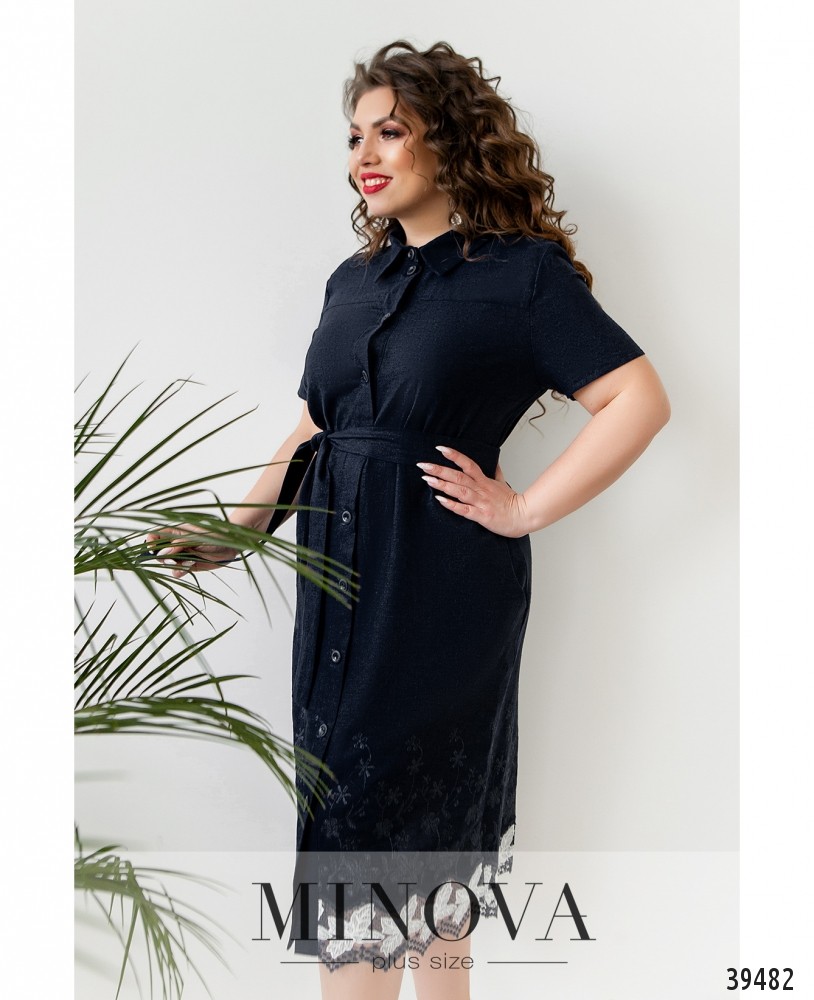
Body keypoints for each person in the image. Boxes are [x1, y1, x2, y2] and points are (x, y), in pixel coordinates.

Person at [148, 38, 670, 1000]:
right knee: (404, 880)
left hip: (440, 596)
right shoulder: (352, 282)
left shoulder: (522, 277)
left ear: (451, 136)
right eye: (355, 137)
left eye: (390, 130)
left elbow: (637, 399)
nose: (366, 154)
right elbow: (312, 430)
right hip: (337, 596)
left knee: (390, 866)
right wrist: (236, 531)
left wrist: (524, 508)